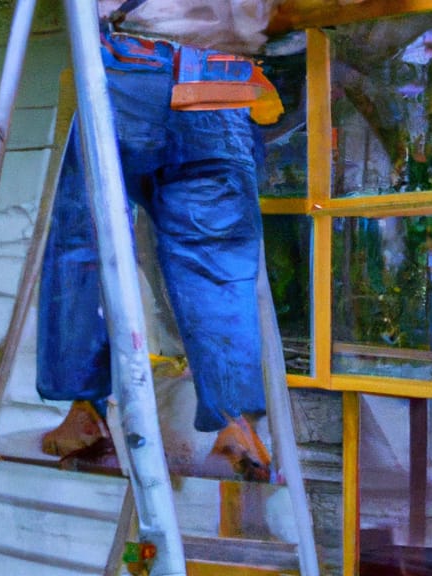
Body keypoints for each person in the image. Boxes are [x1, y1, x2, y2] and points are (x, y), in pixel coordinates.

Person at [36, 0, 283, 481]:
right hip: (222, 82)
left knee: (84, 243)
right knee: (216, 260)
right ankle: (237, 424)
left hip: (133, 67)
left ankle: (83, 410)